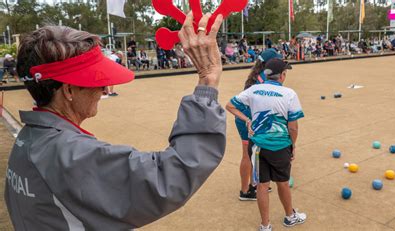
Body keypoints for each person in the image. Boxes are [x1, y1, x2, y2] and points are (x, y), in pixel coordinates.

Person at [5, 13, 226, 230]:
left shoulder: (27, 139)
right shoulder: (68, 153)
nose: (103, 89)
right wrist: (207, 80)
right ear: (69, 89)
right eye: (96, 81)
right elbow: (167, 178)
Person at [226, 59, 306, 231]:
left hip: (256, 147)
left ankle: (265, 225)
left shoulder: (253, 89)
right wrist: (292, 146)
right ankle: (290, 217)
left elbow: (230, 105)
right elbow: (293, 127)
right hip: (279, 146)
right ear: (282, 76)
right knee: (283, 183)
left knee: (262, 185)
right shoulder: (289, 94)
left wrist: (247, 119)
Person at [226, 49, 283, 201]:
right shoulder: (265, 78)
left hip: (250, 118)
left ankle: (254, 184)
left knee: (253, 153)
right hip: (247, 120)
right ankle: (245, 191)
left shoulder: (258, 74)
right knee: (247, 154)